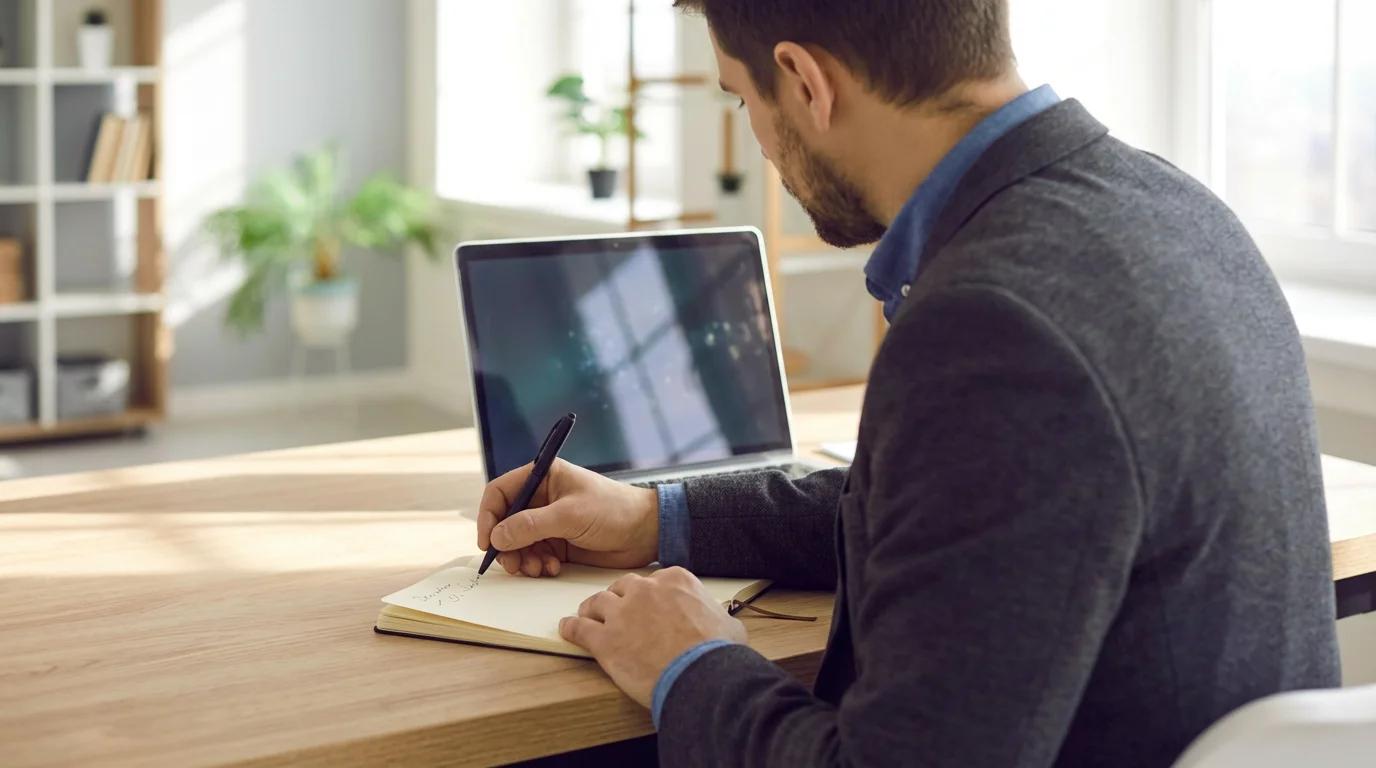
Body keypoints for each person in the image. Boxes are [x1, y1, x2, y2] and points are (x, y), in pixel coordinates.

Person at [477, 1, 1342, 765]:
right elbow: (962, 510)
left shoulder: (993, 322)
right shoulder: (1175, 207)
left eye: (742, 100)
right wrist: (653, 520)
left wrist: (689, 661)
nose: (760, 139)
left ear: (804, 82)